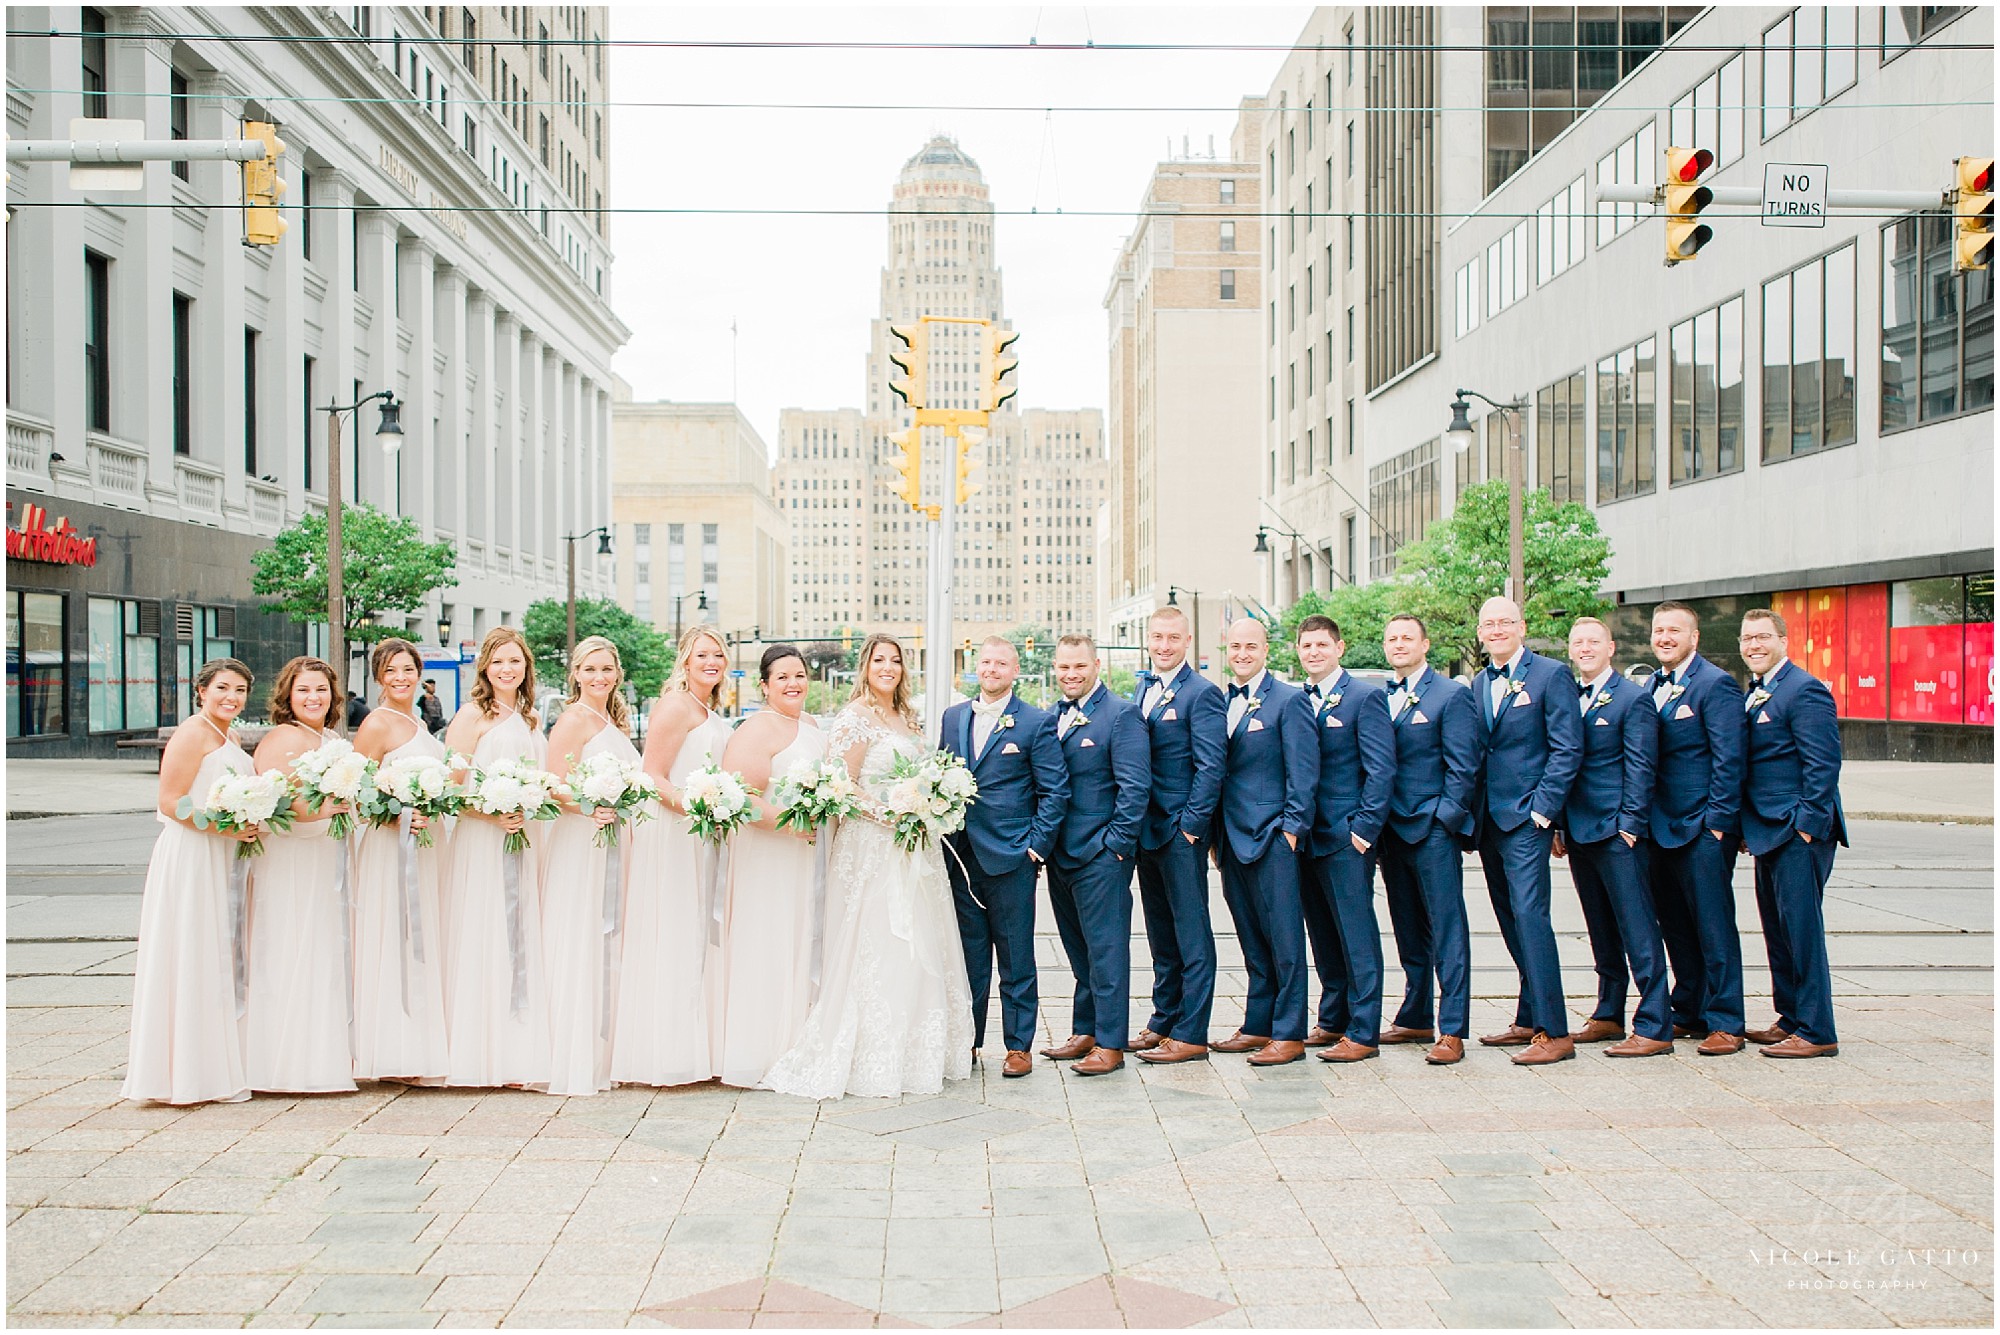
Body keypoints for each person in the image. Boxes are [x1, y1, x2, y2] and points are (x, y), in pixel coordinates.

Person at [762, 634, 973, 1098]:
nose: (888, 667)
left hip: (915, 846)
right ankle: (870, 1053)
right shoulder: (854, 717)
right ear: (866, 665)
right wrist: (890, 814)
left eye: (895, 661)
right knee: (878, 943)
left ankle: (918, 1052)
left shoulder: (908, 717)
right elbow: (841, 784)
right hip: (873, 846)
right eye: (880, 660)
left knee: (919, 942)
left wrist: (928, 807)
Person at [123, 658, 262, 1105]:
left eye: (240, 690)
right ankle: (182, 1073)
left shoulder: (232, 736)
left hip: (224, 854)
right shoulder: (191, 733)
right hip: (192, 854)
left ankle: (214, 1063)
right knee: (191, 952)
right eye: (223, 688)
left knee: (218, 953)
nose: (232, 697)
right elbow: (170, 802)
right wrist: (225, 827)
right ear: (201, 690)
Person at [941, 637, 1068, 1077]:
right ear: (977, 668)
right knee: (970, 957)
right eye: (986, 662)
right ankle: (970, 1042)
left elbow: (1054, 791)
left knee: (1016, 957)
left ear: (1015, 670)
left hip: (1013, 858)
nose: (992, 669)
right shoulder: (953, 717)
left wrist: (1034, 847)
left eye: (1001, 663)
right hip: (961, 857)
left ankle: (1018, 1046)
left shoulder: (1035, 722)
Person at [612, 625, 732, 1087]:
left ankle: (695, 1045)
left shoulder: (707, 708)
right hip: (677, 831)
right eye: (702, 654)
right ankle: (665, 1053)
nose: (711, 662)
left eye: (718, 655)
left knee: (697, 933)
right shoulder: (676, 705)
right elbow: (653, 776)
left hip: (704, 832)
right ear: (685, 660)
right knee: (675, 931)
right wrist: (698, 806)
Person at [1472, 596, 1582, 1067]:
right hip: (1489, 822)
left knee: (1532, 917)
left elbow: (1567, 746)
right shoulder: (1478, 682)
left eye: (1504, 622)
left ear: (1521, 626)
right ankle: (1528, 1015)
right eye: (1488, 624)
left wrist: (1544, 811)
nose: (1496, 630)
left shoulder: (1551, 675)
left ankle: (1555, 1031)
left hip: (1527, 818)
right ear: (1480, 633)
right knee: (1509, 918)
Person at [441, 627, 552, 1089]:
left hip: (522, 839)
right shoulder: (472, 717)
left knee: (519, 936)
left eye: (517, 662)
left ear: (527, 668)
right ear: (485, 667)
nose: (508, 670)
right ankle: (477, 1052)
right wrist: (492, 814)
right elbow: (448, 790)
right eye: (500, 661)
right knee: (484, 931)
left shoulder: (529, 720)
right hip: (481, 842)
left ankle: (516, 1050)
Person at [1557, 619, 1672, 1057]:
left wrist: (1630, 824)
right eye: (1578, 642)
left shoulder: (1633, 699)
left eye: (1593, 642)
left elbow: (1642, 767)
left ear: (1611, 648)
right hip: (1580, 829)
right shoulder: (1569, 695)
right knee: (1600, 927)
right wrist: (1563, 825)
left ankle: (1656, 1023)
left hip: (1616, 830)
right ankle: (1608, 1012)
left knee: (1638, 927)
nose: (1585, 648)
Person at [1039, 634, 1151, 1077]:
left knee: (1106, 953)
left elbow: (1135, 787)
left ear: (1096, 665)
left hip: (1100, 855)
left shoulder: (1121, 714)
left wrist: (1116, 846)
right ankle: (1085, 1029)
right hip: (1060, 855)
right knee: (1078, 949)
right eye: (1064, 667)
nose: (1071, 675)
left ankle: (1110, 1043)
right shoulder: (1052, 716)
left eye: (1079, 667)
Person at [1737, 609, 1847, 1060]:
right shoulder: (1760, 690)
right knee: (1777, 930)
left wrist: (1805, 826)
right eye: (1747, 639)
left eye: (1763, 637)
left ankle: (1818, 1031)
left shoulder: (1805, 690)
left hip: (1797, 829)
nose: (1754, 646)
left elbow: (1823, 765)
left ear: (1784, 639)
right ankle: (1791, 1018)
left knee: (1801, 931)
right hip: (1767, 828)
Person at [1208, 619, 1318, 1067]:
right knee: (1251, 936)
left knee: (1285, 938)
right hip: (1231, 838)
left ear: (1266, 650)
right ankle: (1258, 1024)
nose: (1242, 653)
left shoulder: (1289, 700)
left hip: (1273, 835)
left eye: (1250, 646)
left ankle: (1289, 1031)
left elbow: (1304, 772)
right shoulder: (1223, 701)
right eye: (1235, 646)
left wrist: (1291, 829)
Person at [245, 656, 357, 1093]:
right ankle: (283, 1063)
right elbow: (277, 805)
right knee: (290, 948)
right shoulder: (283, 738)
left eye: (322, 689)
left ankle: (320, 1057)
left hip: (324, 854)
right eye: (304, 690)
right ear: (288, 696)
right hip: (291, 858)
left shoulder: (328, 737)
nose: (314, 697)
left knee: (322, 951)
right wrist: (323, 808)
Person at [716, 645, 826, 1087]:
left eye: (798, 675)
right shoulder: (756, 729)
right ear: (764, 685)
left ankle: (804, 1040)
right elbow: (739, 796)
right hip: (772, 854)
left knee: (806, 939)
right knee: (771, 940)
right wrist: (789, 825)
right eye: (781, 677)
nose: (793, 683)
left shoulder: (815, 727)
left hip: (811, 856)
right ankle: (763, 1048)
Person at [1376, 614, 1481, 1066]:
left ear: (1425, 645)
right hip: (1391, 829)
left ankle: (1452, 1027)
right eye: (1392, 639)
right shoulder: (1383, 696)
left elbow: (1464, 765)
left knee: (1446, 927)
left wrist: (1445, 818)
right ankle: (1416, 1012)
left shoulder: (1450, 695)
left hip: (1432, 827)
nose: (1399, 645)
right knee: (1406, 927)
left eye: (1407, 638)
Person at [1646, 600, 1748, 1055]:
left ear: (1695, 637)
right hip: (1659, 827)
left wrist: (1718, 825)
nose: (1665, 638)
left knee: (1713, 925)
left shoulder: (1716, 684)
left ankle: (1727, 1020)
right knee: (1675, 925)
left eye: (1674, 630)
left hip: (1702, 827)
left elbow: (1730, 759)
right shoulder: (1651, 683)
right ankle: (1690, 1008)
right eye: (1659, 630)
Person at [1293, 615, 1396, 1064]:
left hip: (1345, 836)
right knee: (1323, 933)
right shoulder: (1300, 699)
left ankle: (1364, 1030)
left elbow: (1381, 769)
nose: (1313, 652)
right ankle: (1333, 1018)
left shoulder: (1364, 697)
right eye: (1306, 645)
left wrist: (1363, 830)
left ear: (1340, 647)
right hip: (1307, 837)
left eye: (1321, 645)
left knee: (1356, 934)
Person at [541, 637, 640, 1097]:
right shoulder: (573, 720)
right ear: (575, 674)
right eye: (589, 670)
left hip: (615, 841)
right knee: (583, 935)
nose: (599, 677)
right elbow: (552, 787)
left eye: (606, 669)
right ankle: (575, 1055)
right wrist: (590, 806)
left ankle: (606, 1049)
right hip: (583, 844)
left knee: (611, 937)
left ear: (616, 674)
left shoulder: (611, 720)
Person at [350, 638, 451, 1084]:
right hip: (391, 846)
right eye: (391, 671)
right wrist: (396, 819)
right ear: (378, 677)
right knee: (395, 935)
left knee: (422, 937)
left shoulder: (419, 722)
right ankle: (392, 1050)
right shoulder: (377, 723)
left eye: (408, 669)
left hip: (425, 846)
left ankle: (422, 1046)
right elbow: (355, 788)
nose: (401, 678)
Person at [1130, 606, 1226, 1067]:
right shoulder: (1142, 687)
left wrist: (1192, 826)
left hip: (1178, 832)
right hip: (1145, 832)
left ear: (1188, 641)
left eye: (1173, 638)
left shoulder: (1202, 694)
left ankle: (1192, 1031)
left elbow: (1211, 766)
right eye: (1157, 637)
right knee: (1160, 932)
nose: (1164, 646)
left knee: (1192, 933)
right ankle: (1165, 1017)